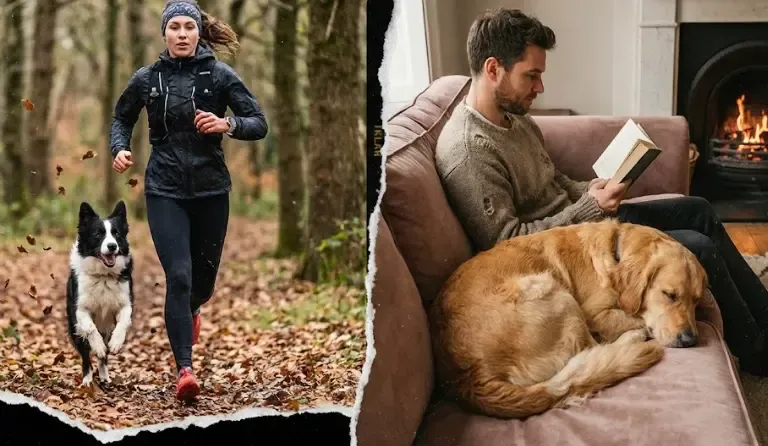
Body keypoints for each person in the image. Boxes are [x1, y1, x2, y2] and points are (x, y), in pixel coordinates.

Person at [435, 7, 768, 377]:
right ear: (494, 69)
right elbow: (503, 241)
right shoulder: (468, 150)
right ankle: (756, 351)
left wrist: (590, 190)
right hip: (569, 248)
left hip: (590, 227)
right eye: (531, 76)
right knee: (696, 247)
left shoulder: (515, 118)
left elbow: (552, 179)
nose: (540, 88)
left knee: (699, 209)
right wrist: (590, 208)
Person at [109, 0, 268, 401]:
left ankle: (193, 309)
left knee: (202, 282)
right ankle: (185, 370)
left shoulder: (220, 76)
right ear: (164, 33)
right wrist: (119, 148)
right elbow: (122, 117)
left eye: (188, 27)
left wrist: (226, 123)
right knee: (178, 276)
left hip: (212, 189)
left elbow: (259, 123)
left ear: (198, 32)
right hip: (164, 190)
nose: (181, 34)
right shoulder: (147, 79)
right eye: (174, 27)